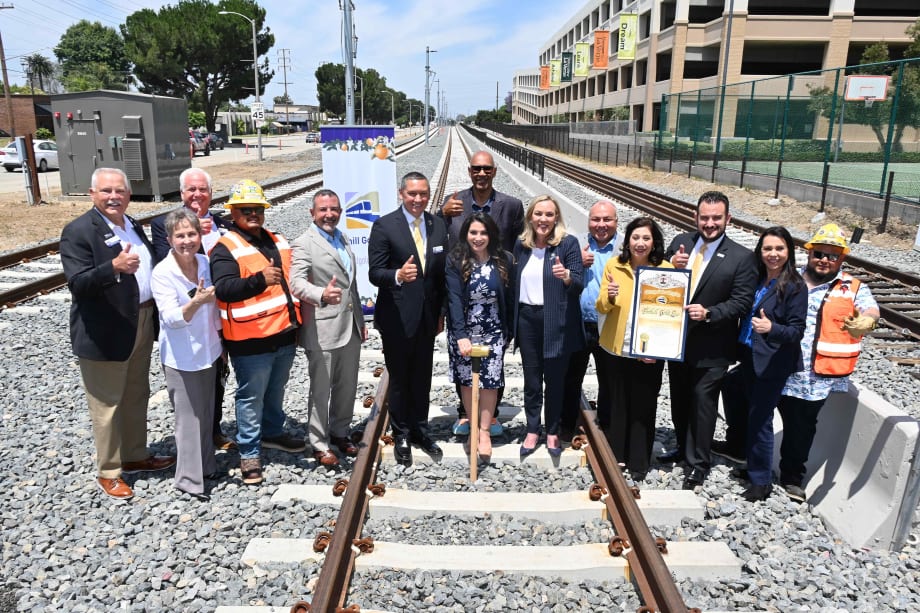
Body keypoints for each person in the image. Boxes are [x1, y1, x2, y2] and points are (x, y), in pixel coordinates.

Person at [60, 167, 175, 500]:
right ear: (92, 193)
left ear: (128, 194)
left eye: (120, 191)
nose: (114, 197)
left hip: (140, 321)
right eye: (107, 191)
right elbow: (78, 284)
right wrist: (112, 268)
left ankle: (136, 454)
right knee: (107, 404)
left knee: (136, 392)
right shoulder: (79, 231)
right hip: (104, 330)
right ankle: (109, 471)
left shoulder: (131, 223)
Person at [659, 190, 757, 490]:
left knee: (703, 403)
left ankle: (698, 464)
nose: (710, 223)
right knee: (679, 398)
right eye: (705, 217)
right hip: (677, 341)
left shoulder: (742, 257)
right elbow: (658, 280)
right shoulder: (680, 243)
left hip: (713, 346)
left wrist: (711, 312)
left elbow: (742, 302)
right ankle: (682, 447)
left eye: (717, 218)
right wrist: (670, 267)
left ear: (728, 219)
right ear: (695, 216)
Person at [210, 179, 304, 486]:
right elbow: (223, 289)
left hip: (283, 332)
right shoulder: (225, 248)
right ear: (233, 213)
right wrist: (258, 280)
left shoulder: (277, 239)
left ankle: (273, 432)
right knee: (250, 397)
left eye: (258, 209)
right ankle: (249, 452)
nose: (253, 214)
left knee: (276, 390)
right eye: (246, 210)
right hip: (250, 339)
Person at [777, 224, 878, 503]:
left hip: (816, 375)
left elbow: (870, 308)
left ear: (841, 259)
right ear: (809, 254)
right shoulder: (790, 278)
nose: (824, 260)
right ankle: (752, 461)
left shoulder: (853, 288)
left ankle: (792, 476)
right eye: (819, 253)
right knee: (750, 404)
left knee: (803, 425)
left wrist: (868, 320)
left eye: (832, 256)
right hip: (780, 365)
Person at [717, 227, 807, 502]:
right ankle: (742, 451)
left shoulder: (794, 285)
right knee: (732, 390)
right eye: (767, 249)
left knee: (760, 420)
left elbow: (796, 331)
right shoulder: (757, 278)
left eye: (779, 249)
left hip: (771, 362)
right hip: (748, 353)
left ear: (789, 251)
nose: (773, 254)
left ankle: (760, 481)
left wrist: (771, 328)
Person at [439, 150, 525, 436]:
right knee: (461, 357)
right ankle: (465, 413)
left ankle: (492, 415)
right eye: (476, 168)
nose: (481, 173)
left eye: (486, 169)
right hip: (460, 287)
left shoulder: (511, 206)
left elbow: (519, 245)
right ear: (469, 171)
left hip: (495, 290)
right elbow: (439, 237)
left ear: (494, 172)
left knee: (494, 362)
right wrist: (440, 214)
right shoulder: (455, 203)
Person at [368, 171, 449, 467]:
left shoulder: (437, 225)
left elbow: (439, 277)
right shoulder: (384, 226)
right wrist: (398, 277)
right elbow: (374, 273)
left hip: (427, 318)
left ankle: (420, 428)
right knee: (400, 378)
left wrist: (441, 313)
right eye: (412, 194)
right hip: (397, 317)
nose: (418, 199)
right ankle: (401, 431)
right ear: (401, 194)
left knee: (422, 376)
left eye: (423, 194)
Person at [151, 167, 235, 451]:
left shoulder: (224, 223)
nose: (197, 195)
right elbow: (165, 263)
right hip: (185, 320)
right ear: (182, 193)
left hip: (216, 320)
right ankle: (195, 446)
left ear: (211, 194)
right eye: (191, 189)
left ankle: (214, 430)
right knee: (190, 389)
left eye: (203, 189)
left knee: (218, 377)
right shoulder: (163, 225)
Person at [290, 190, 367, 468]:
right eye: (323, 209)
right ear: (312, 212)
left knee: (347, 386)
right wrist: (321, 294)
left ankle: (340, 431)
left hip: (350, 327)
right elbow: (296, 283)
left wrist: (359, 320)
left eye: (334, 209)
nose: (329, 214)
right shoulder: (303, 243)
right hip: (322, 328)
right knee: (321, 390)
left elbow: (351, 285)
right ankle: (319, 443)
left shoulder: (342, 237)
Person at [150, 209, 223, 501]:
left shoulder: (204, 262)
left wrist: (222, 343)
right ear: (169, 239)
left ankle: (206, 466)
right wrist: (196, 302)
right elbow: (170, 318)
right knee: (188, 419)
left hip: (209, 350)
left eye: (191, 234)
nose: (186, 240)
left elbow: (215, 312)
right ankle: (188, 479)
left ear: (200, 235)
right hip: (182, 358)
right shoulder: (162, 273)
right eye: (179, 235)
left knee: (206, 413)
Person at [595, 217, 672, 479]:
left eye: (646, 238)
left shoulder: (666, 268)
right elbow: (601, 306)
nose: (640, 243)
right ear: (627, 240)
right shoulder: (614, 265)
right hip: (617, 347)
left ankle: (639, 462)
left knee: (644, 405)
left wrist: (659, 350)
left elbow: (670, 315)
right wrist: (610, 296)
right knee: (618, 403)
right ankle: (617, 456)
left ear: (654, 243)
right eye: (636, 237)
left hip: (649, 351)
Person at [513, 195, 585, 457]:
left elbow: (579, 284)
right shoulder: (521, 245)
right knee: (531, 380)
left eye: (549, 214)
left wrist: (566, 276)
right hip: (526, 320)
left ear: (557, 218)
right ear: (530, 217)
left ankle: (552, 431)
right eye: (539, 214)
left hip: (556, 321)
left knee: (554, 381)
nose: (543, 219)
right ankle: (533, 429)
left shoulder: (568, 244)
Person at [446, 213, 516, 462]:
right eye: (473, 232)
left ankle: (484, 431)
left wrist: (510, 332)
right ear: (466, 234)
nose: (478, 238)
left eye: (483, 233)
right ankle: (473, 429)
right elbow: (454, 299)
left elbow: (509, 298)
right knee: (467, 381)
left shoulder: (504, 260)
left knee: (491, 381)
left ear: (491, 235)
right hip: (464, 332)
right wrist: (461, 335)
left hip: (494, 330)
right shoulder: (455, 260)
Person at [561, 200, 622, 440]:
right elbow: (559, 274)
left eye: (607, 220)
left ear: (616, 222)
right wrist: (575, 262)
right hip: (578, 322)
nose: (601, 225)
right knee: (571, 376)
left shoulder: (624, 248)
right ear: (589, 222)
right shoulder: (575, 244)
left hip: (609, 323)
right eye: (596, 219)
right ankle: (565, 427)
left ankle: (607, 426)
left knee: (609, 380)